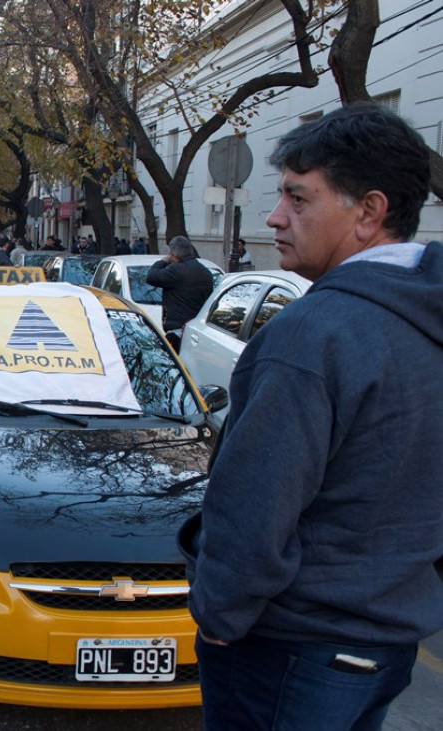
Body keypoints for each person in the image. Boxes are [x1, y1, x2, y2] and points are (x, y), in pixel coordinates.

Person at [178, 103, 442, 731]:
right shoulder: (423, 319)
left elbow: (254, 503)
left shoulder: (312, 336)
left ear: (369, 212)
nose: (275, 218)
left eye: (298, 199)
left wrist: (220, 613)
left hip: (291, 648)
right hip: (386, 641)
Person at [145, 236, 213, 351]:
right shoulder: (205, 272)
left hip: (177, 331)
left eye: (169, 253)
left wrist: (163, 261)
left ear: (173, 254)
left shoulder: (176, 270)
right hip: (196, 331)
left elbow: (151, 277)